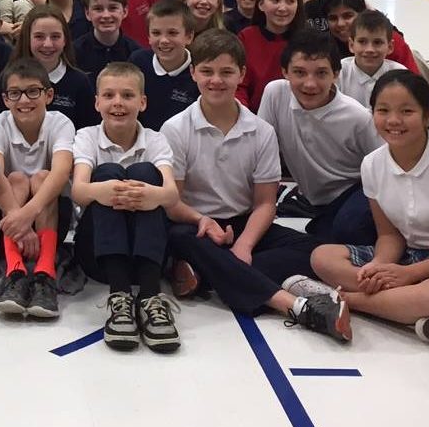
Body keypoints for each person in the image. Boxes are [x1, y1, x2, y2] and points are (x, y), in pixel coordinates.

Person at [161, 29, 350, 341]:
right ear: (193, 72)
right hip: (195, 224)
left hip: (242, 223)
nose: (216, 81)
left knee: (314, 250)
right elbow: (173, 202)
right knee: (182, 238)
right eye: (206, 71)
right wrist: (204, 221)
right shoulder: (176, 129)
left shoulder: (261, 131)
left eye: (226, 72)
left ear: (242, 74)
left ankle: (207, 275)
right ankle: (296, 306)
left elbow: (265, 203)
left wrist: (244, 245)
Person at [306, 71, 429, 341]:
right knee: (322, 257)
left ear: (428, 116)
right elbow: (389, 235)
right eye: (383, 110)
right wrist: (378, 266)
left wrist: (409, 274)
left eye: (406, 111)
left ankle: (347, 301)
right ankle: (408, 307)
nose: (393, 120)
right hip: (408, 255)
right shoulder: (372, 164)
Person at [70, 64, 181, 351]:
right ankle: (119, 297)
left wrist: (148, 194)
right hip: (99, 258)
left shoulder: (156, 139)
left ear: (142, 102)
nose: (117, 102)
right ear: (97, 102)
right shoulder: (86, 136)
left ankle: (150, 298)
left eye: (127, 95)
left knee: (144, 173)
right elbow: (79, 191)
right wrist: (106, 190)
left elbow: (171, 194)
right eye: (108, 95)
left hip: (148, 257)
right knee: (107, 171)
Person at [257, 32, 383, 244]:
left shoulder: (358, 117)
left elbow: (384, 168)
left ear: (336, 74)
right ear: (284, 72)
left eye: (321, 73)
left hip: (355, 190)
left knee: (345, 230)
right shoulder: (275, 93)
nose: (310, 84)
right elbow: (259, 151)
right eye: (299, 72)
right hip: (312, 198)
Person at [0, 59, 75, 319]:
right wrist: (19, 219)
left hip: (49, 213)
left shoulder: (60, 123)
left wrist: (27, 215)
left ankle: (45, 274)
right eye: (15, 93)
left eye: (32, 91)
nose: (24, 100)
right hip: (8, 216)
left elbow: (61, 172)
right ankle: (15, 272)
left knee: (43, 177)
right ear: (5, 99)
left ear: (48, 95)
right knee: (16, 179)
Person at [237, 0, 306, 109]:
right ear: (261, 4)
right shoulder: (246, 37)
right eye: (275, 0)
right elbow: (239, 85)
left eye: (290, 1)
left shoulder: (308, 41)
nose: (282, 8)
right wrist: (245, 117)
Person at [133, 0, 198, 129]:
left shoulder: (199, 70)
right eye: (156, 33)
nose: (164, 40)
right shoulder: (138, 62)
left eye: (172, 33)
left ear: (189, 36)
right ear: (148, 36)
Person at [337, 10, 406, 107]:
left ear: (390, 47)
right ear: (351, 45)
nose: (370, 49)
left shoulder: (401, 74)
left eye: (377, 42)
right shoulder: (339, 72)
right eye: (362, 41)